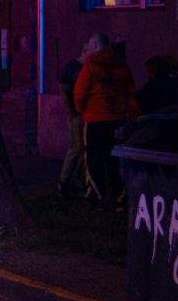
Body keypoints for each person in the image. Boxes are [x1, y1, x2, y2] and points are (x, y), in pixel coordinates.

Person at [73, 33, 139, 208]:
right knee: (115, 159)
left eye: (89, 46)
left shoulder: (90, 67)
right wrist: (131, 117)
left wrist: (82, 109)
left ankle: (97, 194)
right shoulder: (122, 67)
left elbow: (80, 93)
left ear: (94, 45)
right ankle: (119, 195)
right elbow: (131, 95)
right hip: (118, 119)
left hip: (95, 119)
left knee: (93, 158)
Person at [56, 48, 87, 198]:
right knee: (77, 147)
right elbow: (65, 91)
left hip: (84, 115)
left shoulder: (83, 67)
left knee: (82, 148)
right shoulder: (73, 68)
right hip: (78, 115)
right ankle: (65, 182)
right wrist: (72, 114)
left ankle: (78, 183)